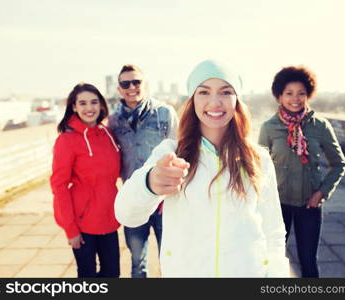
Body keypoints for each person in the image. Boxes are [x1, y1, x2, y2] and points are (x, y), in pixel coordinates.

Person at [115, 60, 290, 277]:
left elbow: (273, 232)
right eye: (204, 92)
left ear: (237, 100)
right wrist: (149, 184)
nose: (215, 102)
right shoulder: (171, 153)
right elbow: (125, 214)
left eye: (226, 92)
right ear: (192, 100)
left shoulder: (259, 158)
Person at [258, 66, 345, 277]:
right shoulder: (269, 128)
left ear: (308, 95)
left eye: (301, 93)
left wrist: (321, 193)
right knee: (272, 260)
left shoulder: (320, 126)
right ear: (279, 96)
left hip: (309, 205)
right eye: (289, 93)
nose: (295, 99)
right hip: (277, 205)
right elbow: (259, 168)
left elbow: (339, 164)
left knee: (308, 262)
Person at [108, 64, 178, 278]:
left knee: (171, 259)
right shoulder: (113, 120)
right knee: (138, 263)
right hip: (134, 200)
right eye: (125, 83)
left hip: (164, 202)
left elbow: (179, 150)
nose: (132, 87)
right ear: (119, 89)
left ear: (144, 84)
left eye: (136, 82)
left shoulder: (164, 113)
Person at [51, 83, 121, 277]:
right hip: (83, 223)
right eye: (82, 103)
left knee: (112, 274)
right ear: (74, 107)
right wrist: (70, 229)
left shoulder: (108, 134)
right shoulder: (66, 141)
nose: (89, 108)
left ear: (101, 105)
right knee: (87, 275)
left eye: (94, 102)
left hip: (109, 220)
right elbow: (59, 186)